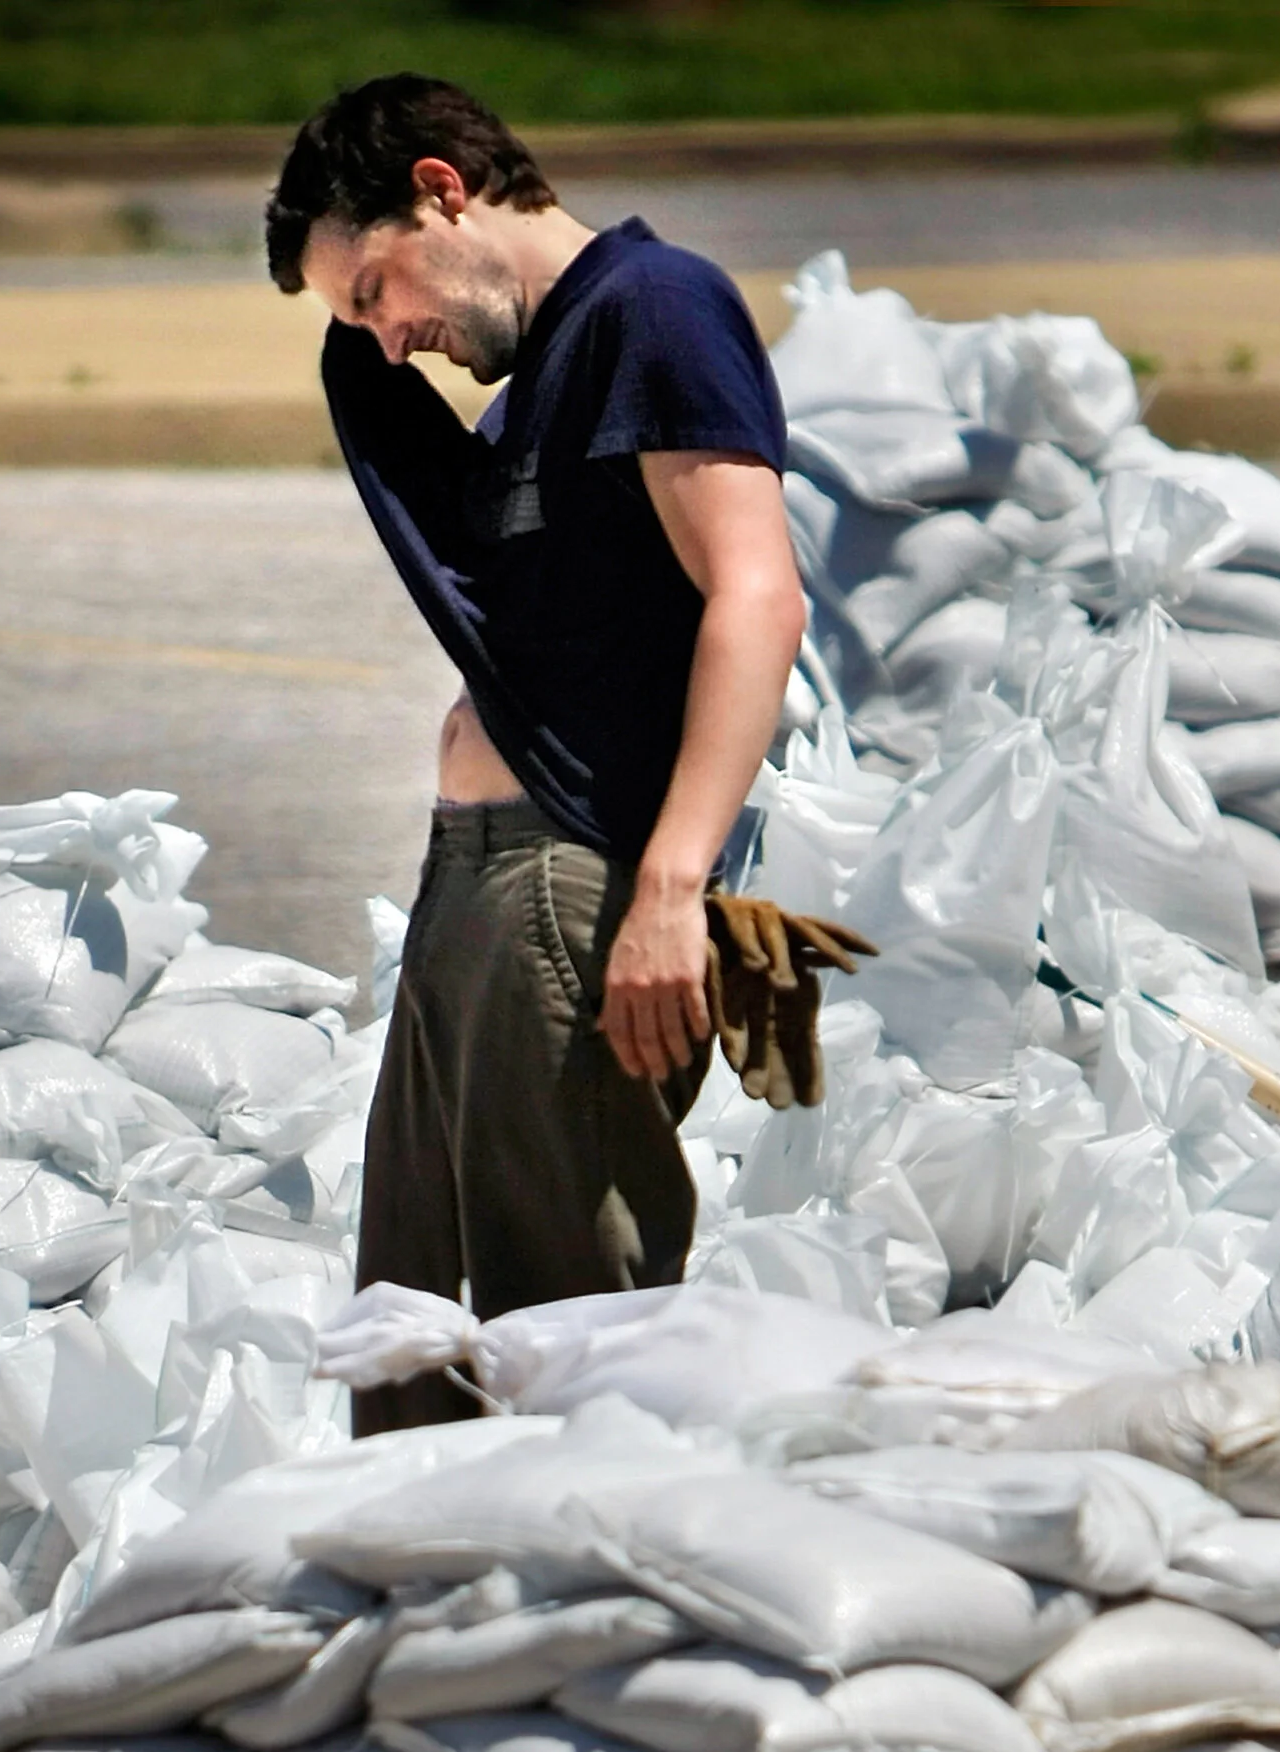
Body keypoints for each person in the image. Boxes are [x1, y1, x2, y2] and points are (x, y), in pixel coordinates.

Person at [265, 73, 810, 1431]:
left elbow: (757, 593)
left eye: (378, 288)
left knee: (562, 1324)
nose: (390, 340)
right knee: (422, 1327)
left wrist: (672, 892)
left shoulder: (655, 311)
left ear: (445, 189)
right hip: (485, 882)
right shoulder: (542, 365)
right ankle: (443, 1624)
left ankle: (584, 1614)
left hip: (576, 885)